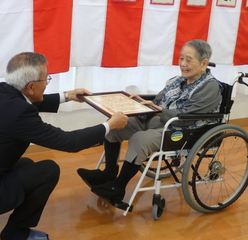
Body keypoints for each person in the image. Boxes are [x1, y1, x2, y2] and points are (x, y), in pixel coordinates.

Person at [0, 52, 129, 240]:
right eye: (46, 78)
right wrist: (109, 125)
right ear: (31, 86)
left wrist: (68, 96)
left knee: (26, 164)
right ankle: (16, 232)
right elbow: (69, 142)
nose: (47, 82)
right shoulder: (20, 114)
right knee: (48, 169)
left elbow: (26, 101)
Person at [77, 39, 223, 204]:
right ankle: (109, 172)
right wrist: (139, 102)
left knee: (140, 139)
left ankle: (118, 186)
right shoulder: (177, 80)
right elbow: (159, 100)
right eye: (181, 58)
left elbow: (187, 117)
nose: (182, 63)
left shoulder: (210, 87)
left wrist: (159, 110)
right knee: (115, 124)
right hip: (159, 120)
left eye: (189, 60)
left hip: (182, 132)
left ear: (204, 63)